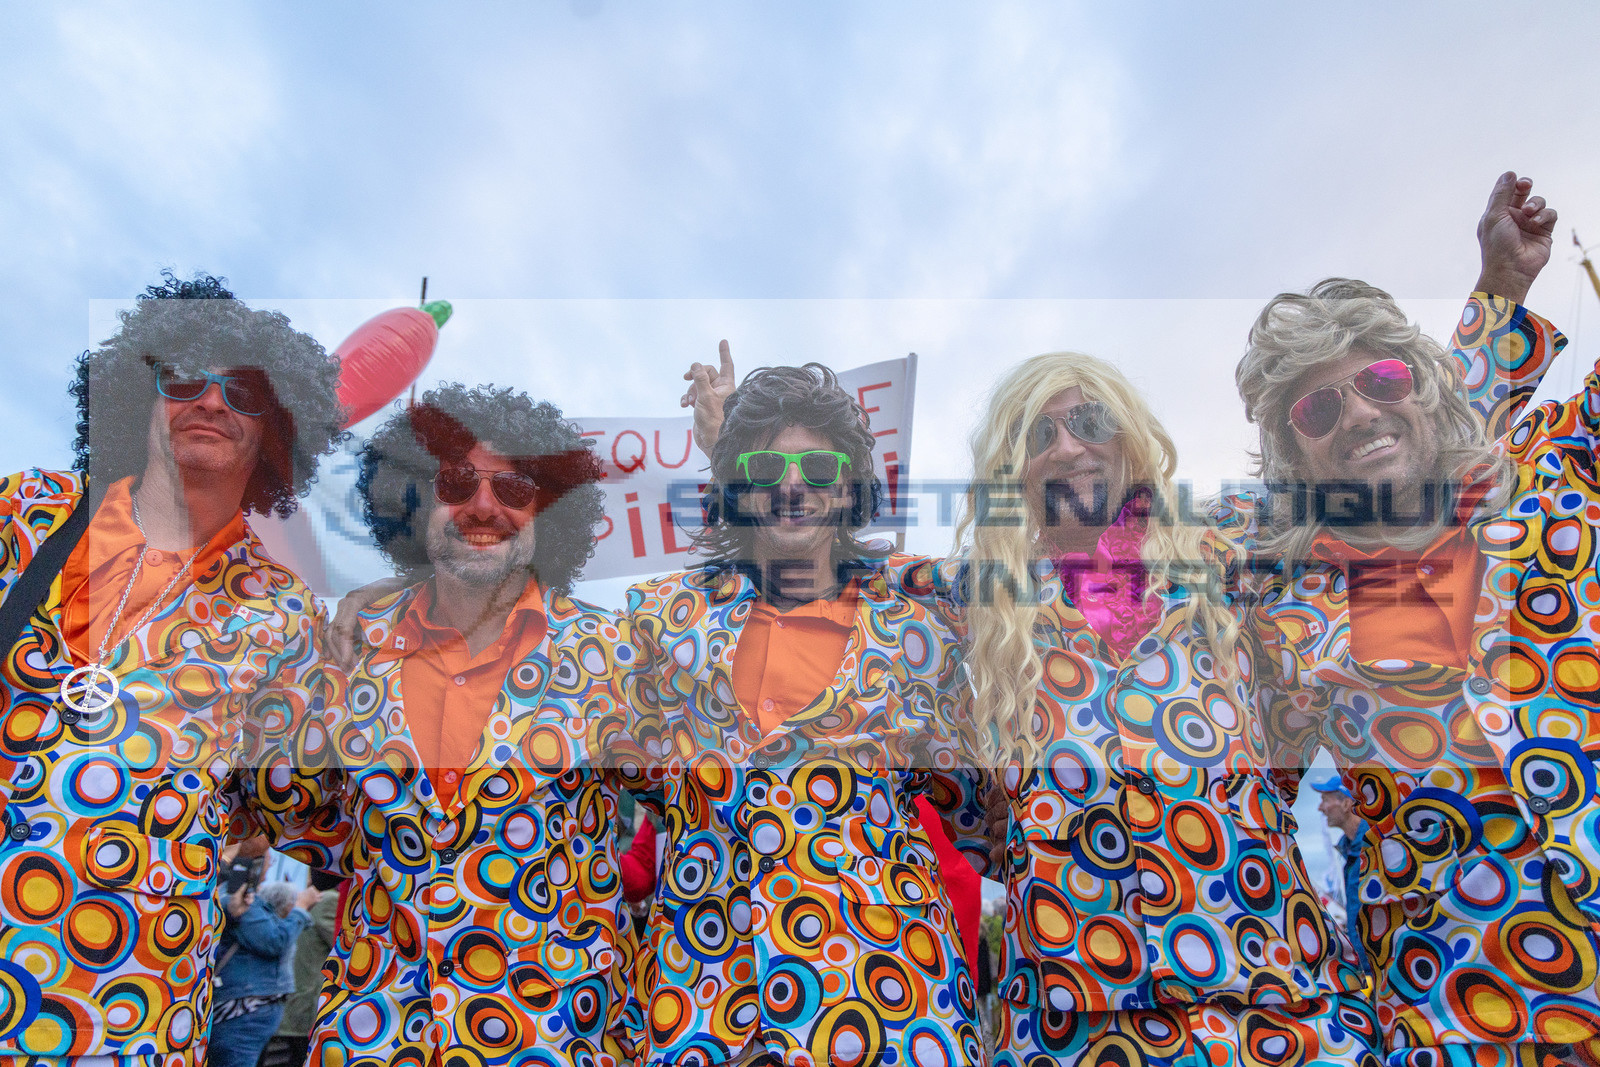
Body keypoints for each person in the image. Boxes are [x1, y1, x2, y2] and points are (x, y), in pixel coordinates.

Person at [1227, 173, 1600, 1064]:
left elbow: (1442, 414)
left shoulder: (1552, 469)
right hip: (1478, 1009)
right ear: (1294, 451)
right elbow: (1244, 803)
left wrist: (1499, 290)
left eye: (1381, 377)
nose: (1359, 411)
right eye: (1319, 408)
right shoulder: (1286, 611)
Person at [946, 353, 1376, 1067]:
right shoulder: (981, 612)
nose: (1069, 447)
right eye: (1038, 435)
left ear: (1129, 434)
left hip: (1270, 990)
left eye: (1090, 421)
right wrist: (1007, 827)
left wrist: (1497, 303)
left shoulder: (1229, 549)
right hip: (1077, 1018)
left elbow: (1393, 448)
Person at [0, 271, 345, 1066]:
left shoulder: (286, 610)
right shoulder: (26, 513)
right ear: (142, 394)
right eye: (186, 377)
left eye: (245, 392)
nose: (213, 401)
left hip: (127, 1009)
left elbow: (302, 803)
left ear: (274, 432)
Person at [267, 383, 650, 1067]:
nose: (483, 505)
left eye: (515, 488)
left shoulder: (618, 654)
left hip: (551, 1036)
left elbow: (711, 806)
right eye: (455, 482)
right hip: (373, 1035)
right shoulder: (346, 650)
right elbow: (298, 816)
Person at [626, 362, 987, 1066]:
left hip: (888, 998)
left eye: (819, 468)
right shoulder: (660, 620)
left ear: (851, 488)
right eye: (766, 468)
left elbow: (976, 811)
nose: (793, 485)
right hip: (704, 1000)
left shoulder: (919, 620)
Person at [210, 880, 322, 1067]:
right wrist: (301, 907)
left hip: (246, 1009)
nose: (269, 865)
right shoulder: (243, 901)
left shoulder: (247, 900)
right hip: (242, 1011)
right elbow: (274, 941)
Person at [258, 868, 344, 1067]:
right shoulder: (330, 900)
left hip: (295, 1001)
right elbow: (344, 947)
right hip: (305, 1004)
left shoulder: (316, 899)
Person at [1311, 775, 1369, 971]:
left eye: (1325, 800)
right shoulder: (1351, 850)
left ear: (1346, 803)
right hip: (1366, 962)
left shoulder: (1370, 846)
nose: (1320, 808)